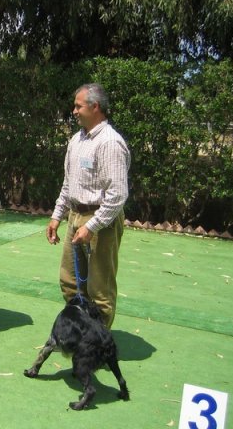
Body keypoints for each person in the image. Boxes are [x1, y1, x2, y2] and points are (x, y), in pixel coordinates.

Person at [46, 83, 130, 328]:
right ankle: (81, 331)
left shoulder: (110, 143)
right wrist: (56, 216)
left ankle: (97, 344)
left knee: (99, 289)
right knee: (70, 283)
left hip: (100, 220)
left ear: (95, 107)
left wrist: (92, 226)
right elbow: (68, 184)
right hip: (75, 216)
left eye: (78, 106)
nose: (73, 111)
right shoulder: (76, 140)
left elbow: (117, 195)